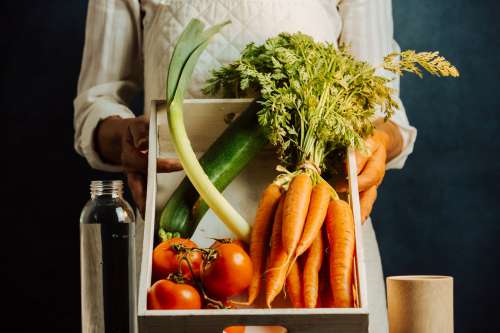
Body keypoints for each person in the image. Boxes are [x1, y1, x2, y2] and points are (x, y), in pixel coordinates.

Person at [74, 1, 416, 332]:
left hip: (317, 233)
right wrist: (124, 140)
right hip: (181, 253)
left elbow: (386, 113)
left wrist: (379, 142)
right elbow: (95, 106)